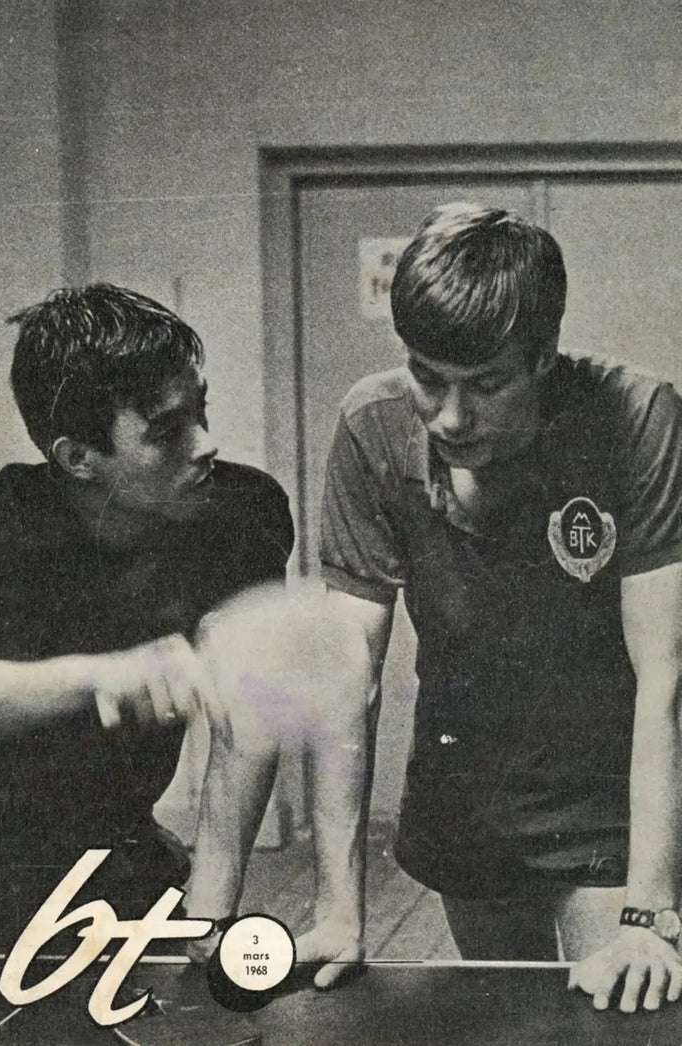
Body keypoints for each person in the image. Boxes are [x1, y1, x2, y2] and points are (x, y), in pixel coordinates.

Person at [317, 202, 682, 1012]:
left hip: (604, 798)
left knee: (613, 1013)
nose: (451, 417)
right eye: (428, 377)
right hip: (466, 796)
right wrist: (339, 909)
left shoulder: (639, 417)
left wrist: (651, 913)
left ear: (543, 358)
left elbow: (666, 677)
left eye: (486, 384)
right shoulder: (372, 427)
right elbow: (348, 683)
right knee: (509, 1018)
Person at [0, 284, 299, 952]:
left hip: (123, 854)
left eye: (201, 411)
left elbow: (245, 719)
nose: (206, 444)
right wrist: (108, 676)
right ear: (78, 458)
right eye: (167, 432)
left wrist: (209, 913)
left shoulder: (241, 513)